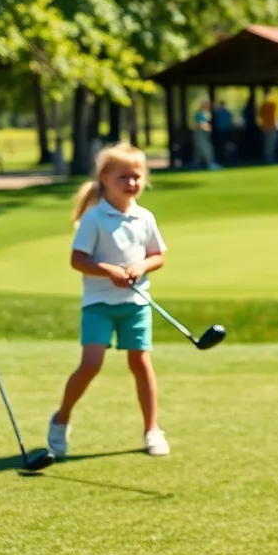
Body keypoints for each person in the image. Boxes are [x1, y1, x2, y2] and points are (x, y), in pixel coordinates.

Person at [48, 141, 170, 458]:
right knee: (91, 364)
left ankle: (152, 429)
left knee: (141, 364)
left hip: (136, 303)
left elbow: (157, 256)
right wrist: (109, 272)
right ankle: (61, 420)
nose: (132, 183)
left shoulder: (145, 217)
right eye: (123, 177)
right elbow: (78, 260)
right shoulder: (94, 219)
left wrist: (141, 265)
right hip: (99, 304)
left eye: (137, 176)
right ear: (104, 178)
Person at [192, 100, 220, 171]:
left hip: (205, 135)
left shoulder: (208, 114)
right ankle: (210, 164)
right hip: (200, 135)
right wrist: (206, 127)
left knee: (200, 151)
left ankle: (197, 165)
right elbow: (198, 124)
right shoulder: (199, 114)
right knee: (207, 150)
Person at [260, 87, 278, 164]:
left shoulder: (264, 104)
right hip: (271, 126)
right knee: (270, 144)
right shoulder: (272, 104)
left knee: (269, 143)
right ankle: (269, 158)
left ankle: (269, 158)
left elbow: (261, 115)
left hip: (267, 126)